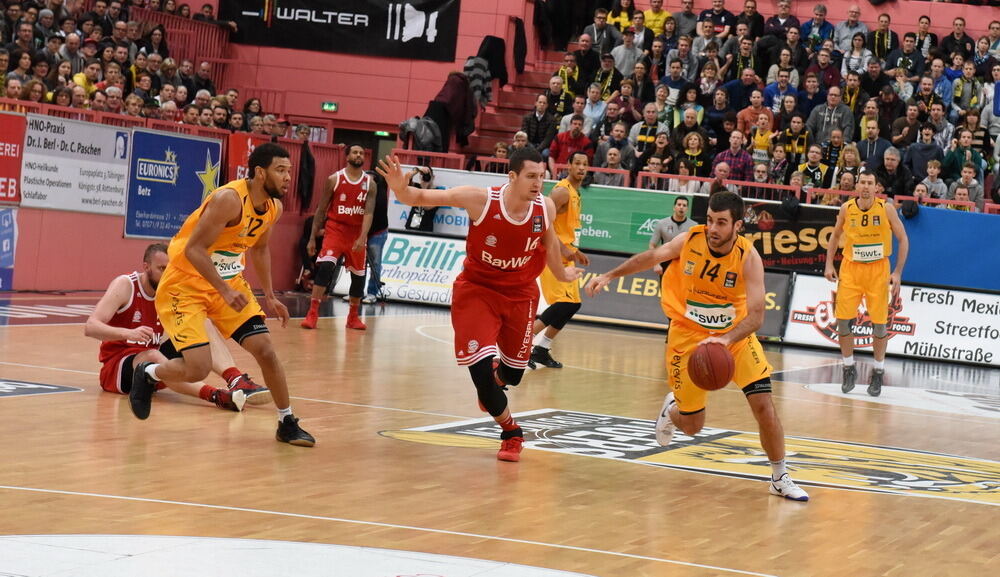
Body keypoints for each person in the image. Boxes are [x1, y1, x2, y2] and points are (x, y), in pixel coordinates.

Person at [585, 191, 809, 501]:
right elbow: (651, 257)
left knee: (764, 407)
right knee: (692, 427)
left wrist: (726, 339)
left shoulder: (749, 258)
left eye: (721, 223)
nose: (713, 229)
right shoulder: (690, 240)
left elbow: (757, 317)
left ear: (738, 226)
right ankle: (672, 408)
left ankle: (779, 475)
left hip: (734, 337)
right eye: (710, 221)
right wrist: (609, 274)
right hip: (687, 337)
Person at [376, 147, 582, 463]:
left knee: (513, 376)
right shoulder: (480, 200)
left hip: (521, 295)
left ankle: (499, 380)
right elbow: (421, 200)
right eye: (530, 176)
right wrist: (401, 188)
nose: (537, 183)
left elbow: (549, 242)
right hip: (477, 292)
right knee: (482, 376)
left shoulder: (546, 208)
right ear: (512, 177)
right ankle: (511, 432)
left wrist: (561, 272)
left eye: (541, 176)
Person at [128, 143, 315, 446]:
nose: (287, 178)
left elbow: (261, 248)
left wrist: (269, 295)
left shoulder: (273, 208)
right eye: (280, 170)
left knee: (266, 350)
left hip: (227, 282)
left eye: (289, 171)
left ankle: (287, 422)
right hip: (185, 284)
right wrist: (224, 289)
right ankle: (149, 372)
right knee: (197, 368)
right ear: (259, 172)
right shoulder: (229, 200)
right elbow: (194, 249)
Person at [85, 243, 270, 411]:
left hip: (158, 368)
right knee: (151, 355)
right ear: (146, 267)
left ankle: (235, 379)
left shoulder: (170, 290)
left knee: (202, 323)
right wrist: (128, 333)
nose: (166, 274)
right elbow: (91, 327)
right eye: (161, 269)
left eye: (169, 269)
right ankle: (216, 396)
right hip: (118, 369)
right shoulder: (125, 285)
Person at [824, 171, 909, 398]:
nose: (866, 186)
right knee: (843, 322)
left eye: (870, 183)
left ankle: (878, 372)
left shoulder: (886, 209)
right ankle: (848, 368)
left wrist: (898, 272)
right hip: (851, 269)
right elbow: (834, 236)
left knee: (879, 325)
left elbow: (903, 239)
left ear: (876, 187)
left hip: (877, 270)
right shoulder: (846, 208)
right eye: (862, 182)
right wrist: (829, 264)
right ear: (856, 186)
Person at [301, 144, 377, 331]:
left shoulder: (370, 183)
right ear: (347, 156)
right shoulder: (334, 179)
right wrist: (312, 238)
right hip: (335, 229)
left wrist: (363, 237)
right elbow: (321, 209)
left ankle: (353, 317)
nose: (359, 155)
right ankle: (312, 313)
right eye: (355, 152)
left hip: (356, 233)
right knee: (326, 267)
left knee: (359, 277)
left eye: (361, 152)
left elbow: (368, 213)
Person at [528, 151, 590, 370]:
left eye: (585, 164)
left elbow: (565, 227)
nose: (582, 168)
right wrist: (563, 248)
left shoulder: (575, 192)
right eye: (578, 164)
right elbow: (543, 218)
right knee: (564, 303)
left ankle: (542, 349)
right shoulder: (562, 191)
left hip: (565, 255)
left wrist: (575, 250)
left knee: (573, 305)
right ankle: (522, 345)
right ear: (569, 166)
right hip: (552, 254)